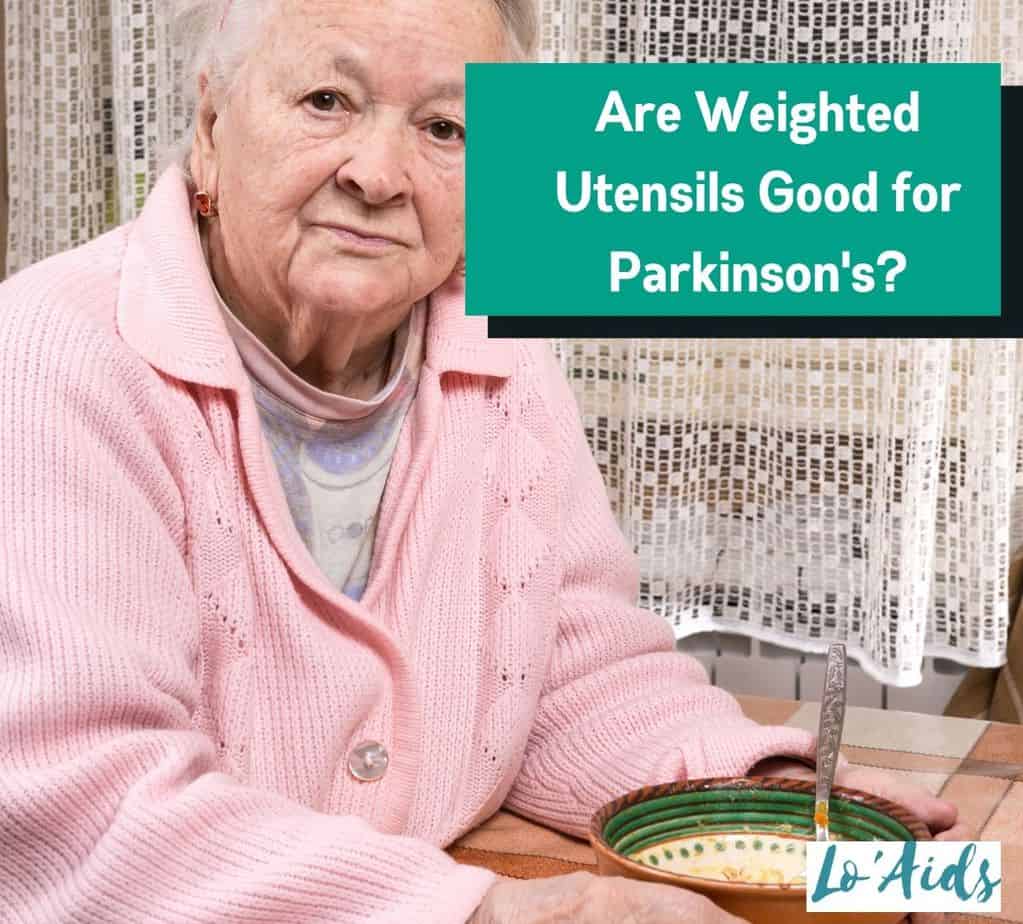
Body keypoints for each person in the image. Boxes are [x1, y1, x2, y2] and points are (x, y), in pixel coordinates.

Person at [0, 0, 969, 921]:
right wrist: (482, 914)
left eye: (446, 130)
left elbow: (564, 679)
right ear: (211, 121)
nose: (377, 174)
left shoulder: (498, 350)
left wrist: (759, 794)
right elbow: (81, 812)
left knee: (960, 894)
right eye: (326, 102)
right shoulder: (54, 357)